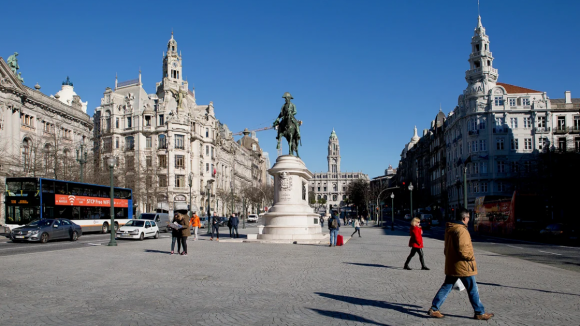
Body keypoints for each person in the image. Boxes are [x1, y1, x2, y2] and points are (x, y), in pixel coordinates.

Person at [428, 209, 494, 320]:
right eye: (468, 217)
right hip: (463, 266)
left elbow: (446, 249)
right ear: (464, 218)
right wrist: (471, 257)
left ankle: (434, 308)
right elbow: (464, 250)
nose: (469, 219)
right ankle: (479, 312)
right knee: (472, 288)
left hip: (453, 264)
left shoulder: (451, 229)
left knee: (447, 286)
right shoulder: (461, 230)